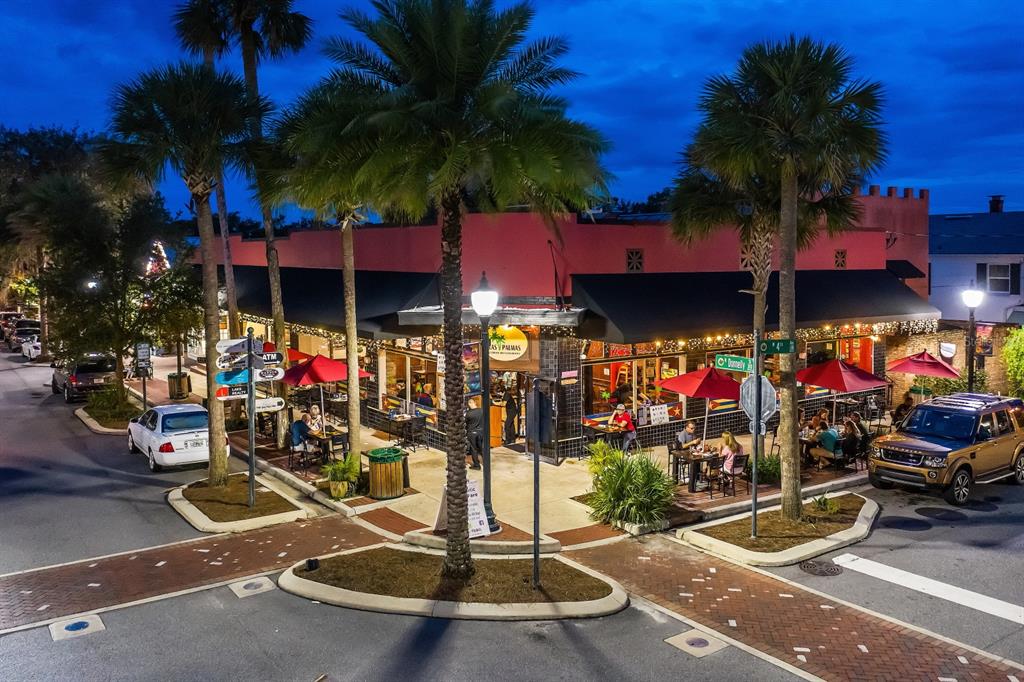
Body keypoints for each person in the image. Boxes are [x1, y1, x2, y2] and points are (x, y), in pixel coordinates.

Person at [465, 397, 484, 469]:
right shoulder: (482, 411)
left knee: (474, 449)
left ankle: (477, 465)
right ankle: (486, 463)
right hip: (481, 432)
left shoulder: (469, 413)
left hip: (472, 433)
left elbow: (466, 423)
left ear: (470, 403)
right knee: (482, 448)